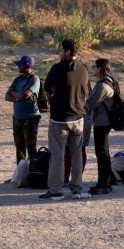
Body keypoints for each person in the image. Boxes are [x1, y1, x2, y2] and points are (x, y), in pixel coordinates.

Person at [39, 40, 90, 200]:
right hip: (78, 117)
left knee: (57, 155)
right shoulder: (83, 68)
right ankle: (77, 188)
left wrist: (58, 93)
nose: (59, 53)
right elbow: (86, 89)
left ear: (67, 52)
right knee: (76, 154)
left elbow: (47, 87)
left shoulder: (57, 68)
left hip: (60, 118)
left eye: (61, 50)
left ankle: (56, 189)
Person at [84, 58, 116, 195]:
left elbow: (90, 103)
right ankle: (106, 181)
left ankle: (104, 183)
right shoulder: (109, 82)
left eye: (94, 67)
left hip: (102, 122)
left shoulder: (103, 85)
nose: (93, 69)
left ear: (100, 68)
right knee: (103, 152)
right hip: (104, 121)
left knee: (102, 153)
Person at [6, 55, 41, 165]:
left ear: (28, 66)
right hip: (17, 118)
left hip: (30, 118)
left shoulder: (34, 79)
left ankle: (33, 173)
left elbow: (25, 95)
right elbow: (7, 96)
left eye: (20, 65)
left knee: (31, 147)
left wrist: (14, 94)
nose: (18, 67)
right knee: (19, 148)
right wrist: (17, 95)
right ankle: (20, 174)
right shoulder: (17, 79)